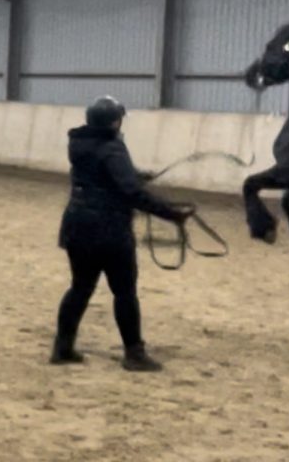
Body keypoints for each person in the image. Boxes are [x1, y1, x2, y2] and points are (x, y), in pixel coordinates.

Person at [51, 95, 194, 372]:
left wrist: (134, 174)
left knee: (80, 287)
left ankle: (63, 346)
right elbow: (131, 192)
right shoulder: (113, 147)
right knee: (124, 292)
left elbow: (105, 175)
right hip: (109, 230)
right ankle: (134, 353)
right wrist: (171, 213)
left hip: (77, 225)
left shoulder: (80, 143)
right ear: (114, 121)